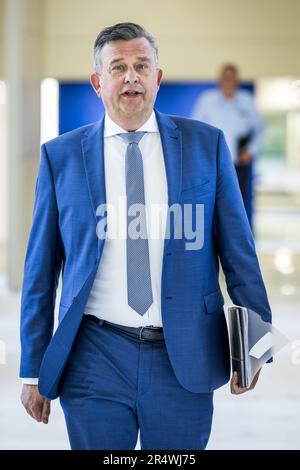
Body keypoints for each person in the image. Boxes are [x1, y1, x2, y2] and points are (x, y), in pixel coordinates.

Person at [20, 23, 272, 450]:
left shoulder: (205, 145)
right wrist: (33, 368)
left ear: (157, 78)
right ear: (99, 83)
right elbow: (40, 272)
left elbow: (239, 252)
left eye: (141, 66)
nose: (131, 76)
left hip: (185, 355)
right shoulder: (60, 157)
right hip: (92, 355)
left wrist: (257, 343)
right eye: (118, 67)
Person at [192, 64, 265, 227]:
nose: (228, 82)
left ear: (237, 81)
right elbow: (195, 129)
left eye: (232, 78)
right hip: (212, 164)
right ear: (219, 80)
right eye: (225, 78)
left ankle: (236, 242)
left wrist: (251, 150)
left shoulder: (246, 101)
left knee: (237, 205)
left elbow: (260, 130)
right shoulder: (207, 100)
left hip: (239, 165)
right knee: (211, 202)